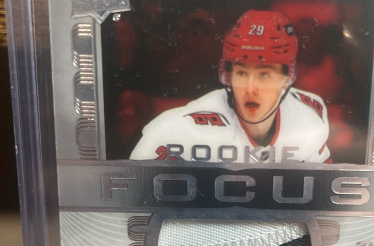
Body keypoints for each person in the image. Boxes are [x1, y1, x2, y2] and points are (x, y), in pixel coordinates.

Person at [130, 9, 330, 163]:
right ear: (228, 74)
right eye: (241, 73)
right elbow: (135, 191)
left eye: (264, 75)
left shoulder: (310, 113)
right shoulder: (181, 129)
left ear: (287, 78)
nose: (250, 88)